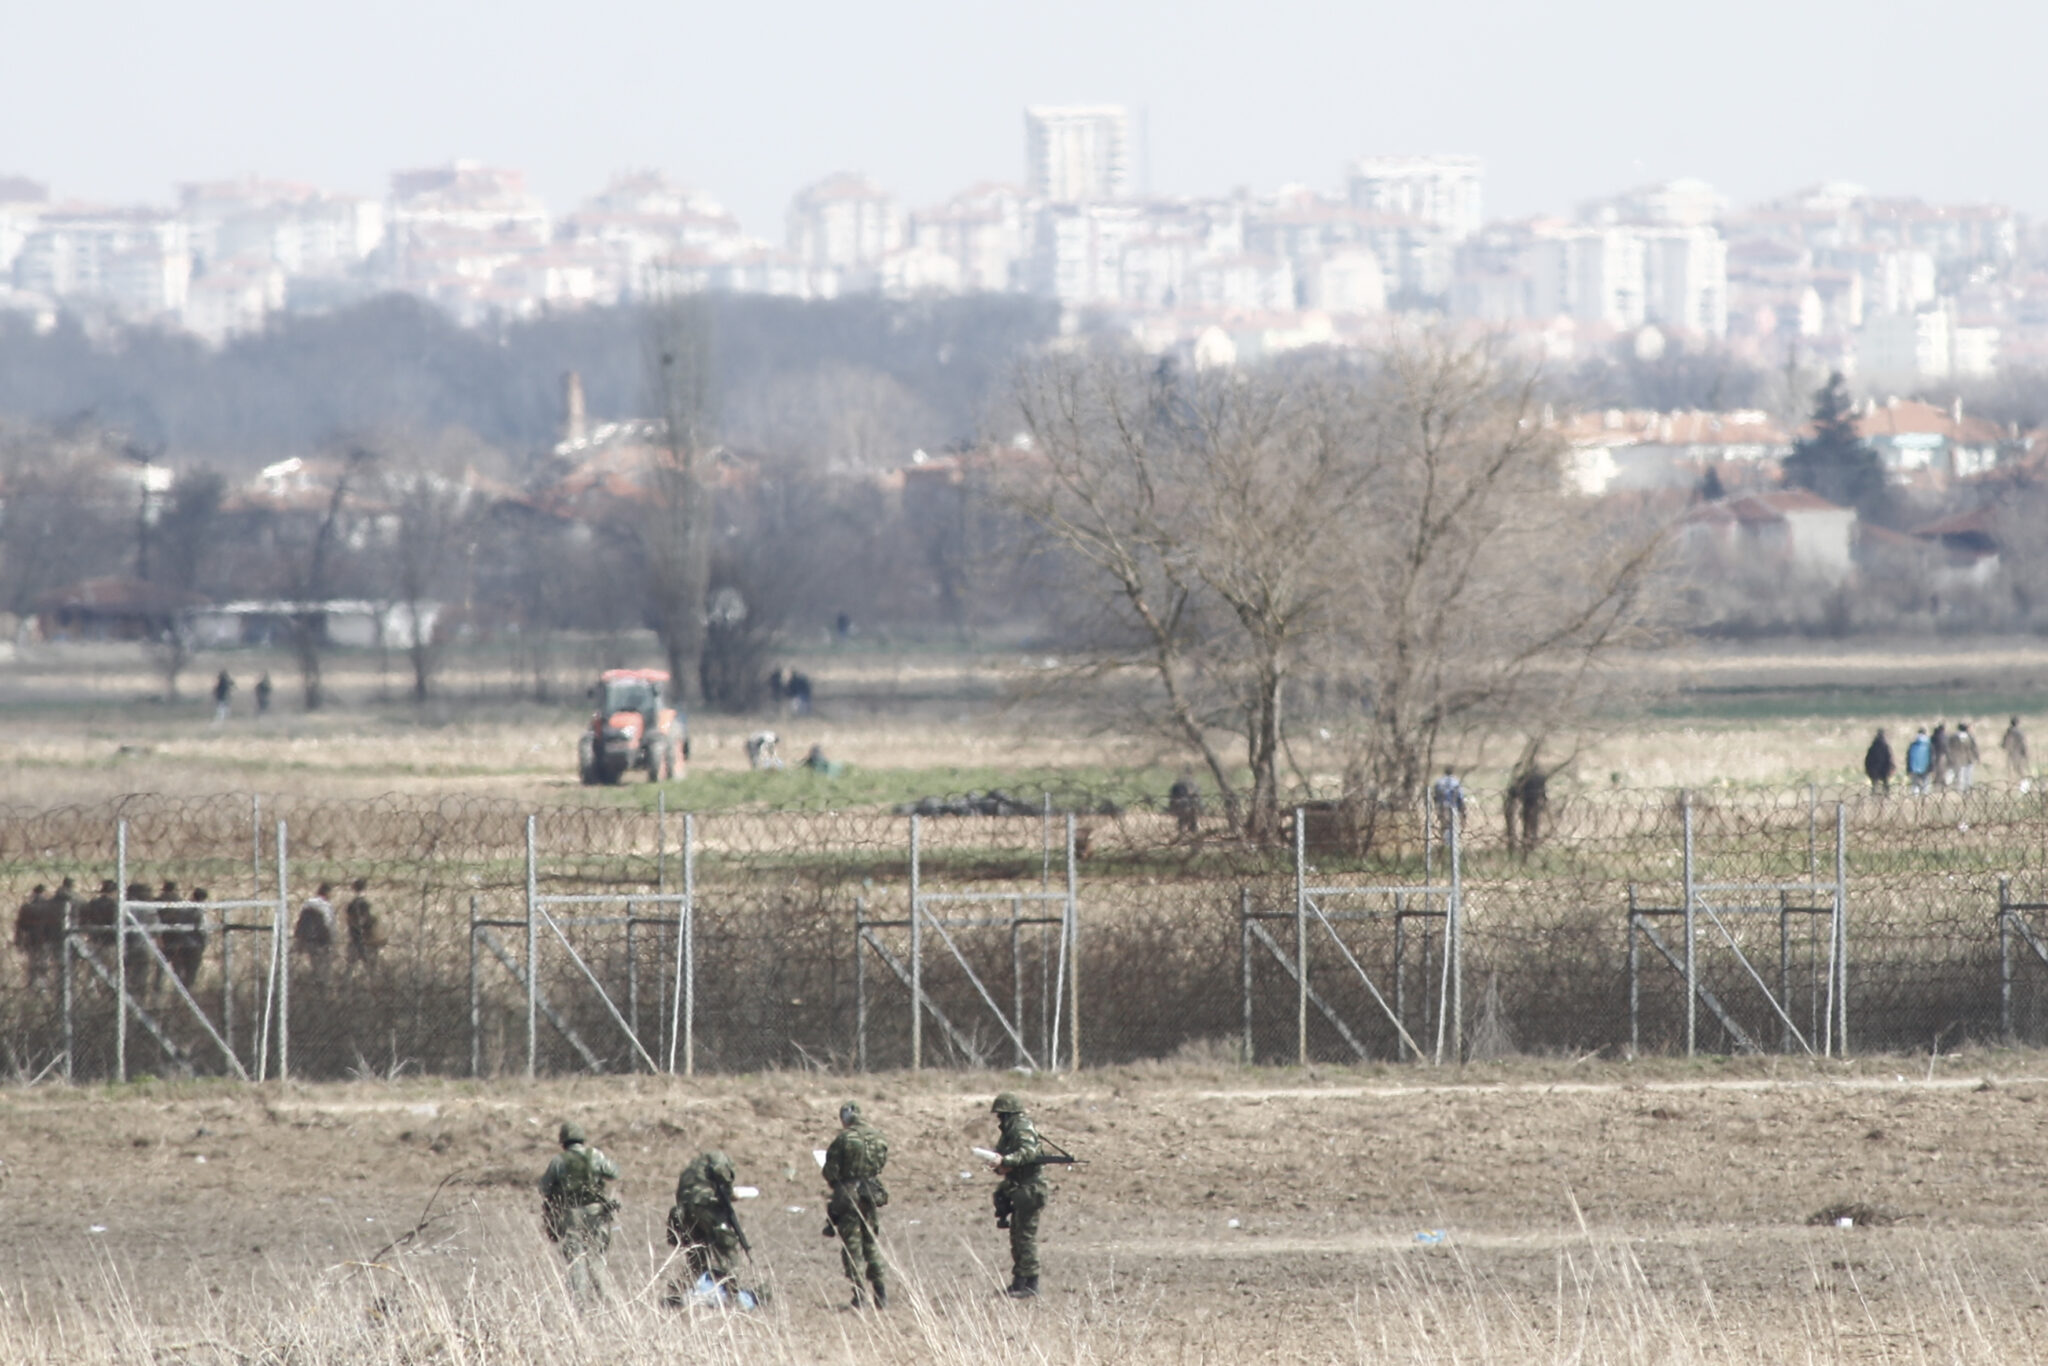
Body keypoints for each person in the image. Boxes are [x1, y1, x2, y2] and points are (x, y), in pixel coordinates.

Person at [539, 1120, 620, 1301]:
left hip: (571, 1215)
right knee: (596, 1258)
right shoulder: (595, 1155)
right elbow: (614, 1173)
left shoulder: (558, 1161)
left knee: (576, 1260)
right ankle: (608, 1300)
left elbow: (544, 1188)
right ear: (582, 1139)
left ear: (563, 1141)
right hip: (596, 1212)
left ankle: (579, 1303)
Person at [822, 1100, 890, 1309]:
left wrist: (838, 1184)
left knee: (853, 1248)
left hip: (849, 1196)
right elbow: (880, 1164)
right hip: (871, 1193)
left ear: (844, 1118)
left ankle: (860, 1296)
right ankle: (881, 1293)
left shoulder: (843, 1139)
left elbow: (830, 1171)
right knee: (871, 1244)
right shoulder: (879, 1137)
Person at [989, 1091, 1049, 1299]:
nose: (999, 1118)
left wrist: (1006, 1161)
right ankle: (1019, 1281)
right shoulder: (1010, 1130)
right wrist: (1000, 1164)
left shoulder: (1021, 1127)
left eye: (1001, 1114)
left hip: (1030, 1188)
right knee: (1017, 1236)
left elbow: (1028, 1152)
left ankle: (1030, 1283)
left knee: (1025, 1237)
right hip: (1018, 1186)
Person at [665, 1150, 748, 1301]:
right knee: (727, 1249)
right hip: (705, 1207)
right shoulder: (718, 1157)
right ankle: (734, 1293)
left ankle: (676, 1293)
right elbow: (721, 1172)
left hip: (684, 1213)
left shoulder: (691, 1170)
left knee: (697, 1260)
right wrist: (728, 1190)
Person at [294, 882, 335, 976]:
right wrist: (332, 939)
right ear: (327, 892)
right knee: (324, 964)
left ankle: (315, 977)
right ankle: (321, 980)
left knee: (314, 963)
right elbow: (329, 923)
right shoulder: (326, 905)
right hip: (321, 939)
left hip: (307, 937)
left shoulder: (308, 903)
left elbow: (301, 920)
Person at [343, 878, 384, 970]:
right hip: (368, 940)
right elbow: (374, 921)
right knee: (371, 969)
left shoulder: (351, 905)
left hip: (354, 939)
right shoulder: (369, 903)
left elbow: (349, 920)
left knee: (349, 969)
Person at [1431, 767, 1466, 832]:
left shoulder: (1439, 782)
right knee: (1453, 825)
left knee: (1443, 824)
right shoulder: (1456, 782)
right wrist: (1462, 809)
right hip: (1453, 805)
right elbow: (1460, 796)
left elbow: (1435, 795)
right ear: (1452, 773)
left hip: (1442, 805)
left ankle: (1444, 835)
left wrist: (1436, 805)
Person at [1167, 773, 1201, 838]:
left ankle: (1190, 827)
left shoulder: (1190, 792)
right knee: (1185, 814)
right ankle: (1187, 828)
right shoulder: (1180, 791)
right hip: (1185, 801)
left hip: (1187, 802)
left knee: (1188, 813)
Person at [1863, 730, 1895, 795]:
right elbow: (1889, 758)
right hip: (1884, 769)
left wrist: (1868, 769)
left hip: (1874, 769)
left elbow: (1868, 759)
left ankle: (1874, 796)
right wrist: (1891, 767)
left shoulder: (1872, 747)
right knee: (1885, 784)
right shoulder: (1885, 747)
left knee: (1874, 785)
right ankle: (1887, 795)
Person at [1953, 722, 1981, 792]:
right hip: (1969, 759)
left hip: (1959, 759)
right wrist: (1977, 758)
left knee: (1960, 776)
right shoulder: (1970, 737)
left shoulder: (1954, 737)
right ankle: (1967, 790)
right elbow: (1974, 748)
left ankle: (1961, 790)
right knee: (1968, 776)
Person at [1906, 727, 1933, 795]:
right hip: (1926, 767)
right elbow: (1932, 757)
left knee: (1915, 785)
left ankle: (1915, 798)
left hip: (1914, 767)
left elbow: (1909, 757)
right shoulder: (1928, 744)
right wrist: (1931, 768)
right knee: (1925, 785)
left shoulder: (1913, 744)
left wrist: (1909, 768)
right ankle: (1925, 798)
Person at [1930, 722, 1950, 789]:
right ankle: (1941, 784)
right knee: (1941, 771)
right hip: (1942, 756)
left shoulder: (1933, 737)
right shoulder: (1944, 737)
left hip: (1935, 755)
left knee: (1936, 771)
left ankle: (1937, 784)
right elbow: (1946, 747)